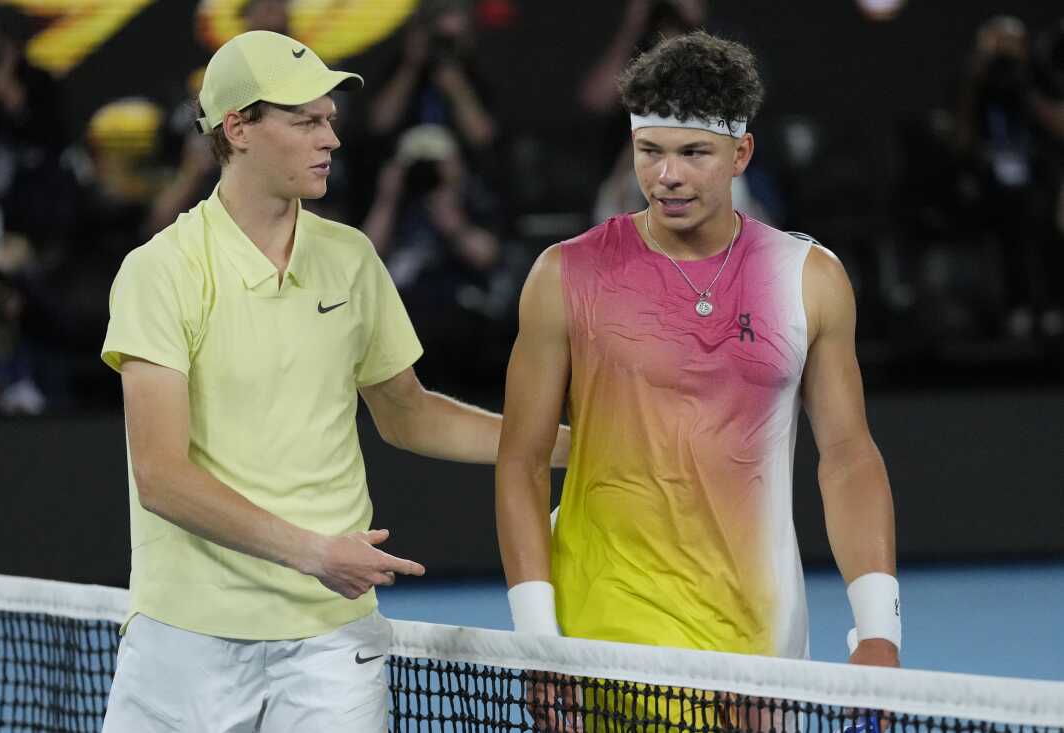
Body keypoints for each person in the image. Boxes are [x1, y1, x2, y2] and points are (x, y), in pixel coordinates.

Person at [99, 30, 567, 731]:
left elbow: (409, 415)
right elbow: (161, 475)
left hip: (329, 643)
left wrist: (573, 445)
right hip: (184, 639)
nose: (331, 139)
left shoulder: (351, 259)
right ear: (239, 128)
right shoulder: (160, 271)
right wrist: (314, 552)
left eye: (329, 119)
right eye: (306, 121)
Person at [495, 29, 899, 725]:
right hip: (604, 629)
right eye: (650, 151)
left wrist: (879, 627)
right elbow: (521, 462)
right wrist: (538, 640)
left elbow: (849, 456)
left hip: (758, 641)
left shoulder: (810, 280)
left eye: (693, 154)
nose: (667, 177)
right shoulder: (564, 274)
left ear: (740, 152)